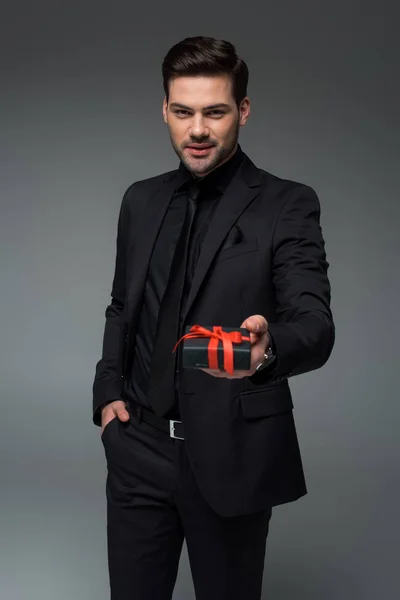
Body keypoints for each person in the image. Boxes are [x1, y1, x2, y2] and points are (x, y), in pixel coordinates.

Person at [92, 35, 335, 600]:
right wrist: (107, 395)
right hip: (138, 448)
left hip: (232, 455)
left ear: (243, 112)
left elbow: (315, 324)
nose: (197, 129)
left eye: (215, 112)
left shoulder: (287, 203)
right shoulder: (141, 200)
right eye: (183, 112)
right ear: (166, 111)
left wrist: (268, 349)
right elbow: (122, 306)